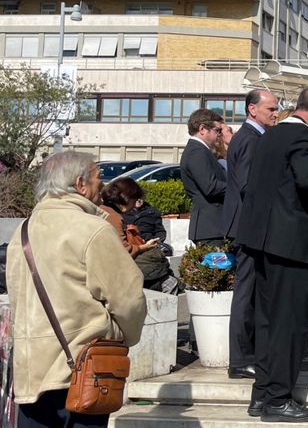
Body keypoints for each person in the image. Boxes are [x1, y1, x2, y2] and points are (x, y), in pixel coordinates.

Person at [8, 152, 147, 428]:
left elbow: (17, 299)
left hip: (31, 371)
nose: (102, 185)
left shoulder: (21, 232)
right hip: (83, 370)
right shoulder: (92, 230)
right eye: (98, 178)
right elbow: (128, 299)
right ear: (81, 183)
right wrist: (122, 337)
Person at [235, 87, 308, 422]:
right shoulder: (302, 137)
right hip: (289, 245)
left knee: (266, 321)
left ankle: (262, 395)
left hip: (261, 241)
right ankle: (279, 399)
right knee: (289, 324)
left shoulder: (269, 135)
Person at [222, 89, 279, 381]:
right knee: (246, 293)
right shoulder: (250, 139)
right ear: (252, 110)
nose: (275, 113)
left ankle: (249, 354)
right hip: (249, 227)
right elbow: (247, 185)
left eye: (276, 108)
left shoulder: (251, 137)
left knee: (252, 292)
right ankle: (241, 359)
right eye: (270, 108)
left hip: (248, 226)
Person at [101, 178, 177, 293]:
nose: (135, 204)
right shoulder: (114, 217)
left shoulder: (103, 211)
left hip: (110, 270)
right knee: (168, 280)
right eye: (135, 199)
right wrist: (143, 247)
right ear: (127, 198)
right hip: (114, 274)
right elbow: (124, 251)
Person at [180, 108, 227, 243]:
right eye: (217, 130)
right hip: (210, 228)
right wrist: (237, 186)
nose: (220, 135)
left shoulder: (200, 151)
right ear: (202, 129)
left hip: (211, 227)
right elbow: (211, 187)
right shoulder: (197, 152)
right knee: (217, 265)